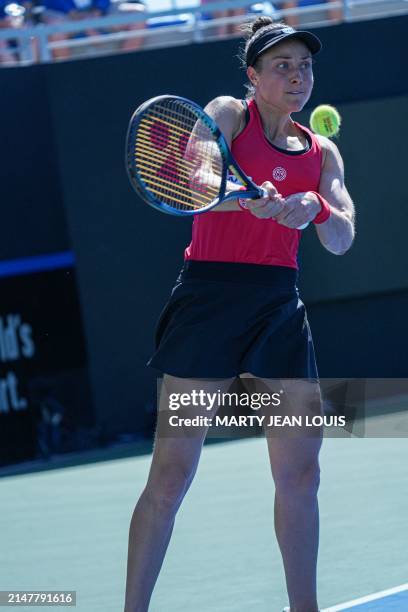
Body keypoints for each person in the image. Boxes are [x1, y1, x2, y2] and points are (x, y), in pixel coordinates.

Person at [124, 16, 355, 612]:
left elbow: (344, 238)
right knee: (171, 475)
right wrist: (241, 192)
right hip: (209, 299)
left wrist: (316, 210)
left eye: (304, 65)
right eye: (282, 66)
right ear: (253, 77)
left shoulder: (323, 152)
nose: (297, 76)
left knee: (302, 475)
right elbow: (190, 171)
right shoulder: (228, 113)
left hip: (278, 305)